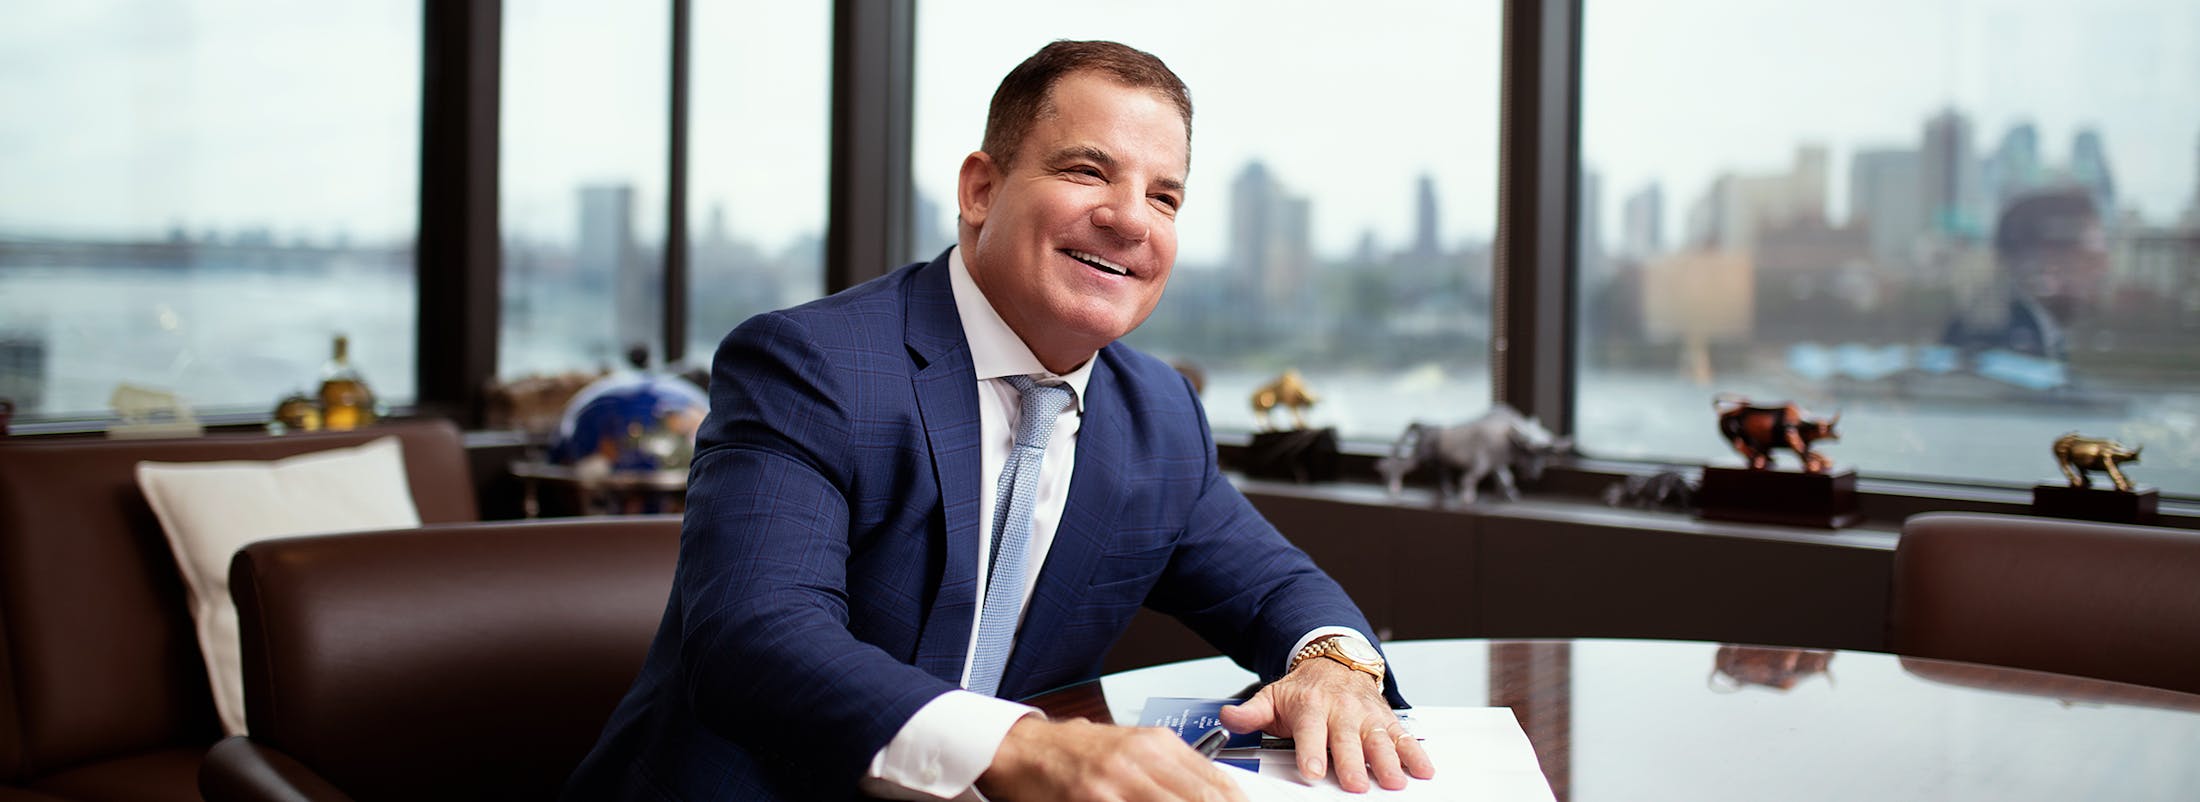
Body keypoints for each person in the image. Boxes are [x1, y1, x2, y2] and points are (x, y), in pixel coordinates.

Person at [565, 40, 1433, 801]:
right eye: (1088, 171)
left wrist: (1334, 666)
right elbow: (754, 643)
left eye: (1164, 197)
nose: (1131, 217)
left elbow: (1278, 588)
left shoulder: (1159, 413)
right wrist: (1024, 749)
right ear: (981, 189)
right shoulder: (811, 365)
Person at [1943, 187, 2109, 362]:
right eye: (2091, 257)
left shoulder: (2037, 330)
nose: (2104, 268)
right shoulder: (1995, 339)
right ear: (2051, 260)